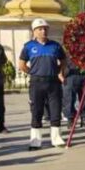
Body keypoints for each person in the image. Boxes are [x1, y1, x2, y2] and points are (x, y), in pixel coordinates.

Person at [18, 18, 66, 150]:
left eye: (45, 28)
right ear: (34, 31)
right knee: (37, 111)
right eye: (40, 29)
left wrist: (60, 72)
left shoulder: (55, 46)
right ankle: (35, 141)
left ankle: (56, 139)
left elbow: (63, 60)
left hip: (53, 82)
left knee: (55, 110)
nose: (43, 31)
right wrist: (33, 72)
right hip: (37, 83)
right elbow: (22, 65)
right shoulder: (28, 46)